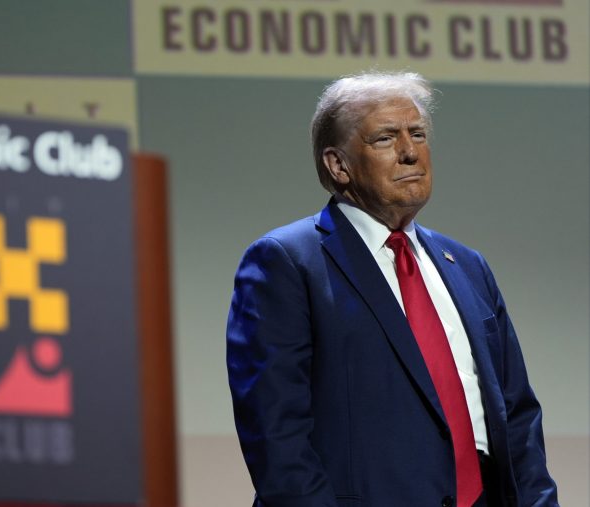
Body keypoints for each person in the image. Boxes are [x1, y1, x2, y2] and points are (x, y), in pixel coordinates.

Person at [226, 71, 558, 507]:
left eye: (417, 134)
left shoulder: (468, 266)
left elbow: (517, 415)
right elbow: (276, 433)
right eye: (385, 138)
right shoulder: (286, 262)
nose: (409, 153)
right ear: (337, 164)